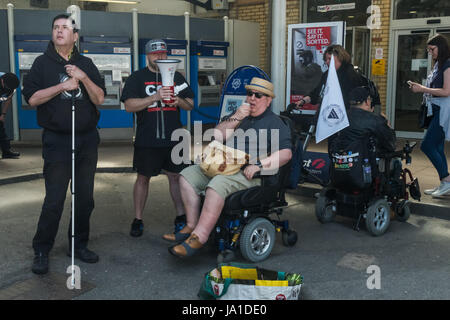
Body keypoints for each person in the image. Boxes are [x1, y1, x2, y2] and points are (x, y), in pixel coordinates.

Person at [165, 77, 292, 258]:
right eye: (250, 94)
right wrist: (237, 117)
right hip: (224, 165)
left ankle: (199, 237)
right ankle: (191, 225)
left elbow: (286, 154)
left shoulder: (275, 123)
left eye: (258, 95)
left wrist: (258, 165)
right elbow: (217, 135)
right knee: (186, 176)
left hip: (250, 172)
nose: (252, 98)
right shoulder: (240, 115)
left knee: (217, 184)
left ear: (268, 100)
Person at [22, 14, 106, 275]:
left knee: (84, 198)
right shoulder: (41, 64)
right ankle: (41, 249)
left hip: (86, 140)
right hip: (57, 141)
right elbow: (32, 99)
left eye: (65, 28)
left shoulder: (86, 63)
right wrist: (64, 86)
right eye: (56, 28)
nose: (59, 31)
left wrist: (83, 78)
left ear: (75, 36)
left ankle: (78, 244)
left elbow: (100, 98)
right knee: (55, 199)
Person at [120, 39, 194, 238]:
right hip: (147, 138)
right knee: (143, 178)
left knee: (176, 177)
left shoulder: (177, 76)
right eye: (155, 54)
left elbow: (191, 104)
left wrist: (177, 100)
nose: (159, 57)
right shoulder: (137, 78)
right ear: (147, 56)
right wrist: (155, 97)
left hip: (175, 137)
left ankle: (180, 217)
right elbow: (128, 106)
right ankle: (137, 219)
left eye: (162, 53)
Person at [408, 34, 450, 197]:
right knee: (437, 146)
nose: (430, 52)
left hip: (444, 111)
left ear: (441, 47)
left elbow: (447, 91)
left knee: (427, 145)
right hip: (437, 110)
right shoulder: (439, 65)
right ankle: (445, 183)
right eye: (428, 49)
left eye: (432, 49)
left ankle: (446, 180)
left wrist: (422, 89)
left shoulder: (447, 64)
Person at [294, 44, 367, 111]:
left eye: (329, 59)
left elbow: (354, 102)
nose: (327, 62)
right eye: (325, 60)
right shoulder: (327, 74)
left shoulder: (351, 75)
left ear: (340, 58)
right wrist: (302, 101)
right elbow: (316, 93)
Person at [330, 86, 396, 156]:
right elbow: (391, 146)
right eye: (370, 99)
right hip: (364, 163)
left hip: (338, 162)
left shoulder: (338, 118)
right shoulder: (375, 120)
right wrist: (388, 126)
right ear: (367, 101)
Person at [0, 72, 20, 159]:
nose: (9, 89)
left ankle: (6, 152)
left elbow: (8, 100)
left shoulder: (12, 87)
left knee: (0, 127)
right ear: (2, 81)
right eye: (8, 87)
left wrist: (3, 114)